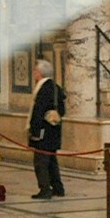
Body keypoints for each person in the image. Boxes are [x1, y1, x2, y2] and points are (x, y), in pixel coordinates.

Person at [29, 60, 66, 199]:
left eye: (35, 70)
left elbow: (38, 111)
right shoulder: (56, 87)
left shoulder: (43, 89)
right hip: (54, 129)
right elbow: (62, 110)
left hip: (43, 131)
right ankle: (58, 188)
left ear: (39, 73)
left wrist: (33, 131)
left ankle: (45, 189)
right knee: (51, 160)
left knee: (41, 161)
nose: (34, 73)